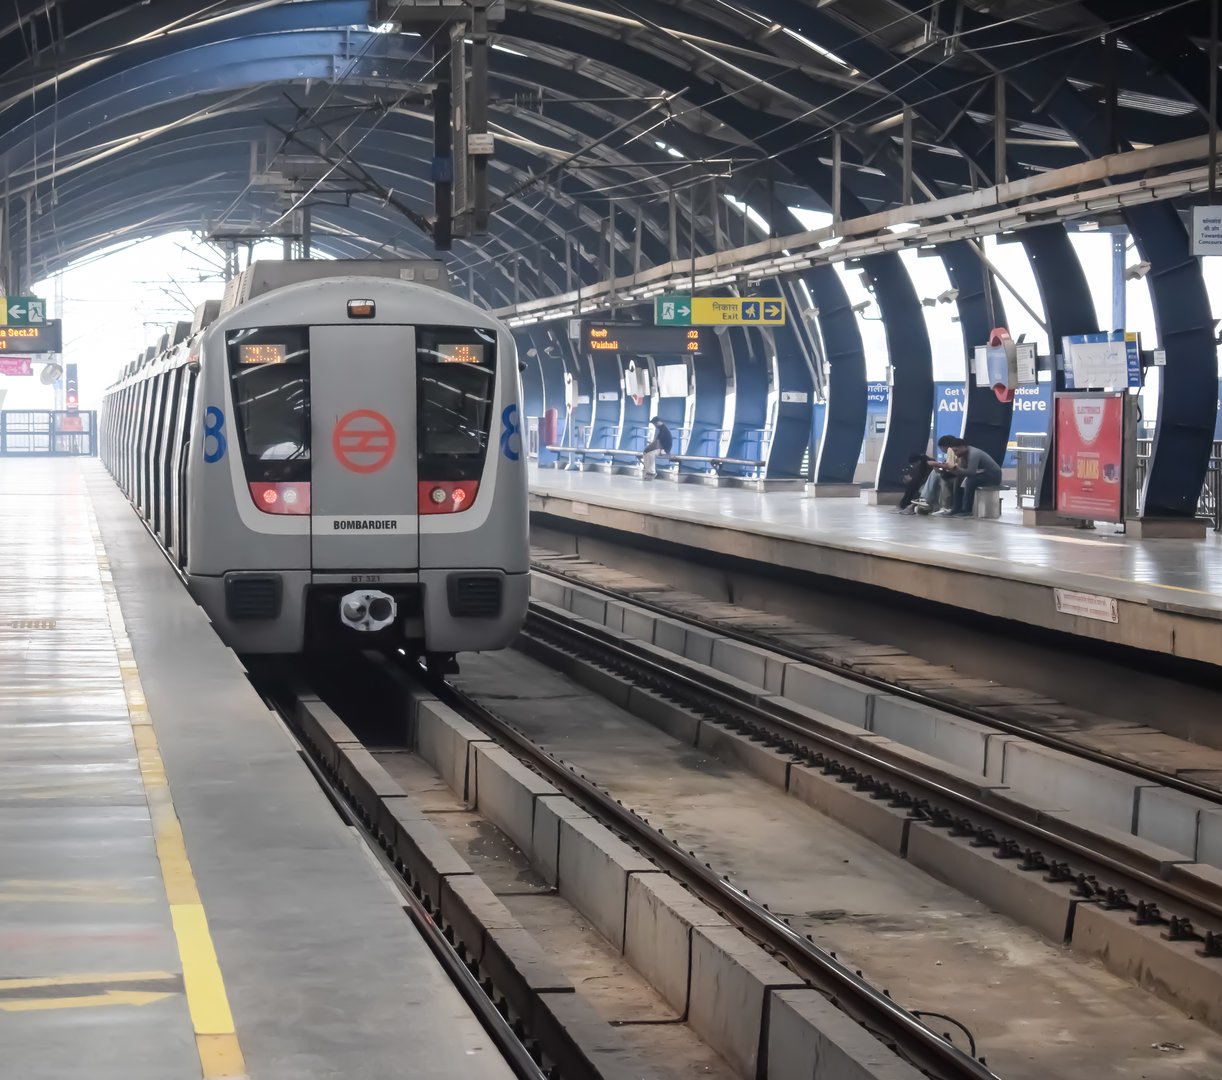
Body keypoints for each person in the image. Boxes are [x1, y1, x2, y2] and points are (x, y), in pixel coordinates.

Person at [945, 441, 1003, 517]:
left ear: (963, 447)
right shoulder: (963, 455)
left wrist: (955, 468)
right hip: (981, 474)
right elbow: (962, 472)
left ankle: (967, 510)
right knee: (958, 479)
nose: (955, 453)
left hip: (993, 476)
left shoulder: (974, 453)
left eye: (956, 450)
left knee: (971, 481)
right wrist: (950, 469)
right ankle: (956, 508)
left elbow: (970, 472)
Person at [917, 435, 962, 514]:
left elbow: (951, 467)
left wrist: (937, 465)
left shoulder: (951, 450)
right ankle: (934, 503)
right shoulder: (954, 451)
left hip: (958, 476)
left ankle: (925, 498)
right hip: (954, 475)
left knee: (937, 476)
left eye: (941, 448)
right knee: (938, 476)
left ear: (945, 446)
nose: (942, 450)